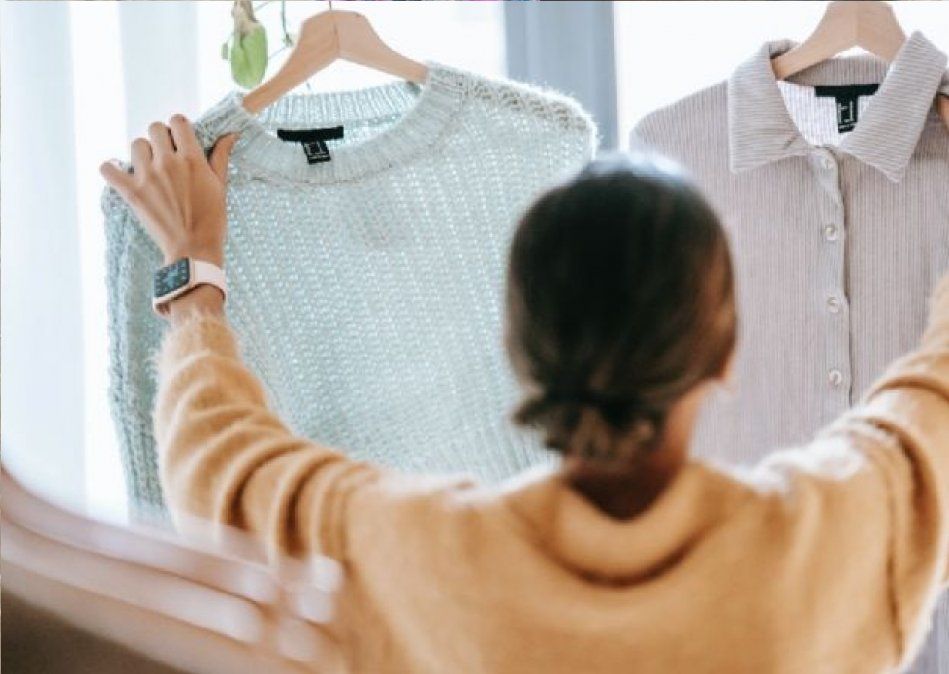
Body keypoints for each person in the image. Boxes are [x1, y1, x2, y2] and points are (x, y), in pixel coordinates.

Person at [100, 115, 949, 674]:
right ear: (723, 352)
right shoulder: (820, 541)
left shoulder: (423, 553)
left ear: (519, 351)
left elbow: (227, 468)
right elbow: (933, 399)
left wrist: (192, 273)